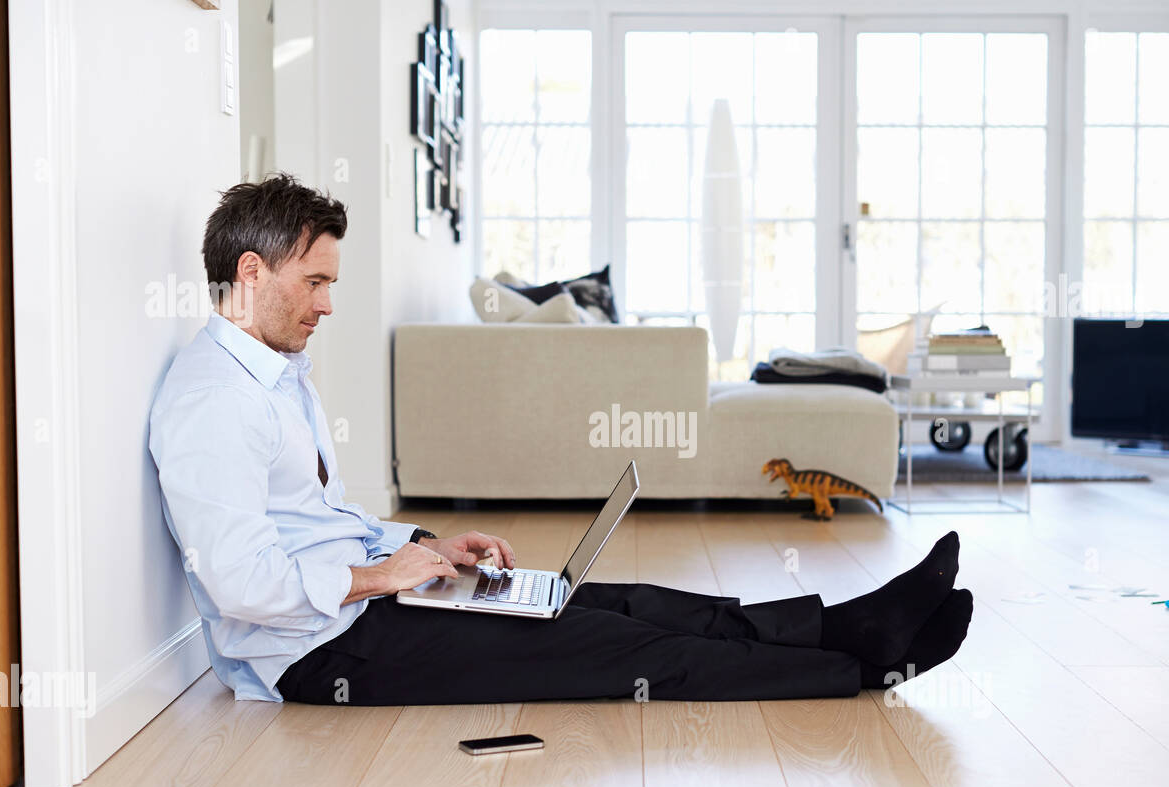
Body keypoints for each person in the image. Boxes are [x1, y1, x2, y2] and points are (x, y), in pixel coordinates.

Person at [149, 173, 973, 707]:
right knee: (610, 646)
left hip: (359, 604)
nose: (327, 304)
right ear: (250, 273)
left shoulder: (276, 374)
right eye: (314, 282)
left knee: (619, 601)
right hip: (322, 651)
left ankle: (846, 624)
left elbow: (315, 522)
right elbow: (243, 585)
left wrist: (422, 546)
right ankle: (860, 667)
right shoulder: (213, 403)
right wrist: (381, 577)